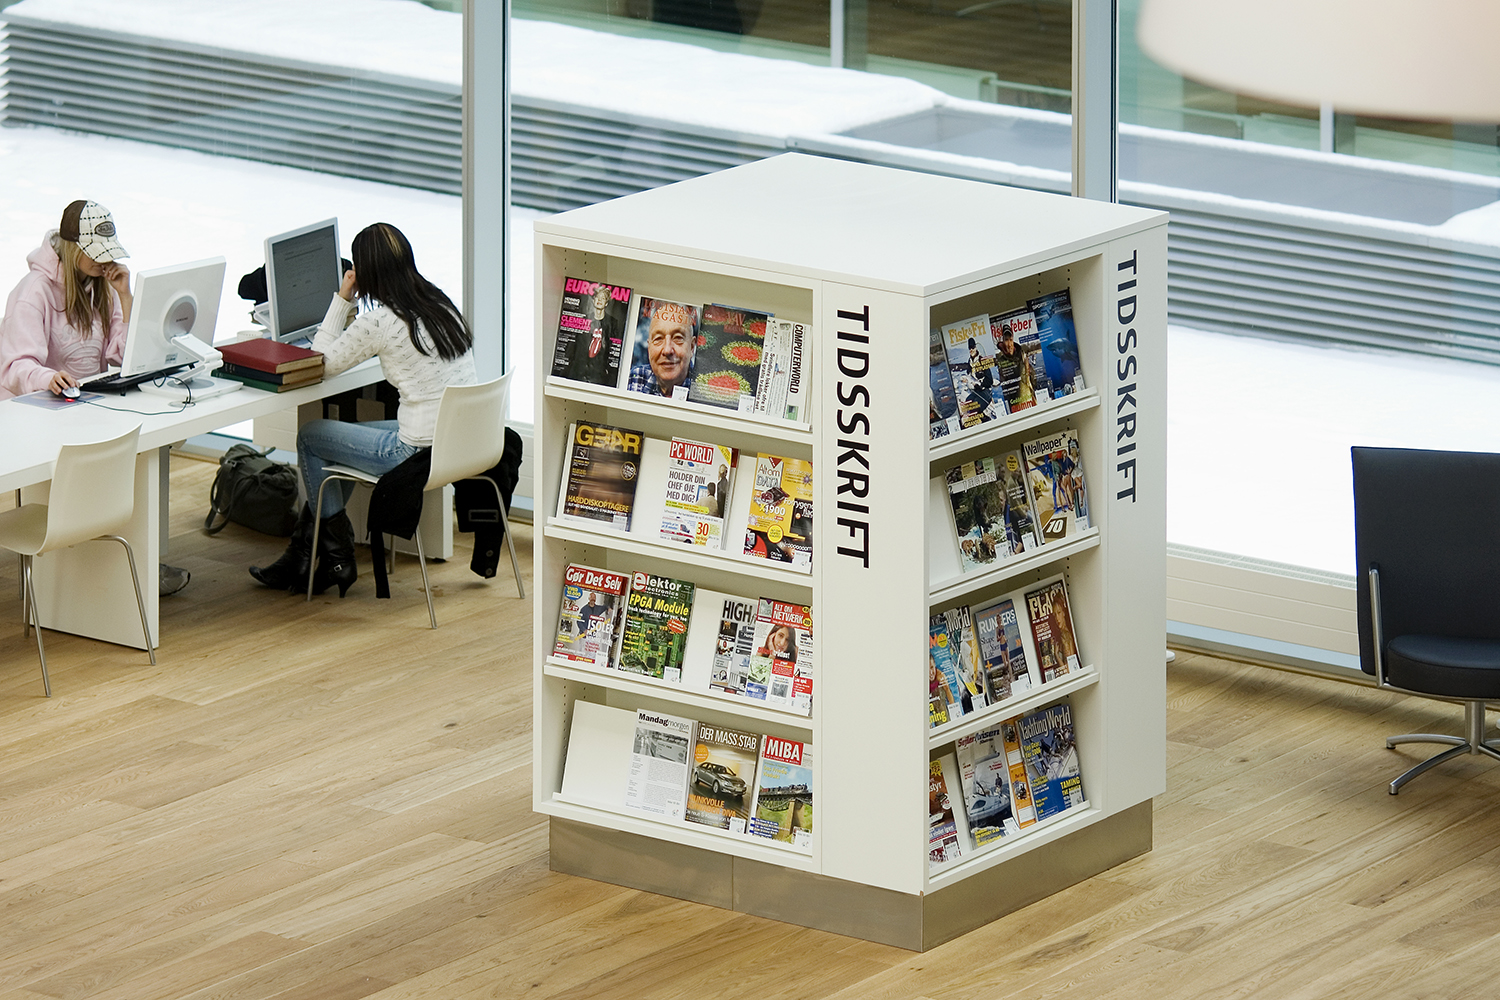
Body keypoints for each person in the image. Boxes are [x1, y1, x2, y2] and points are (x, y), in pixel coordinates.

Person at [249, 222, 475, 597]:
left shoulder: (381, 320)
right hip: (457, 445)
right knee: (339, 441)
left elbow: (321, 361)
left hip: (415, 452)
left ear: (366, 272)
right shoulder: (439, 302)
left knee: (310, 437)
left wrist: (342, 298)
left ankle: (338, 557)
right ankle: (306, 556)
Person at [0, 200, 191, 597]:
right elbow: (14, 367)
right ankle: (111, 573)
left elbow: (122, 356)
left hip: (85, 410)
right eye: (96, 254)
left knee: (137, 448)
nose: (104, 262)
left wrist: (125, 296)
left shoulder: (101, 287)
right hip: (37, 415)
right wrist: (48, 376)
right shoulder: (32, 293)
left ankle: (128, 569)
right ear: (73, 248)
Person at [625, 300, 695, 396]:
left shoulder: (705, 390)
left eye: (678, 338)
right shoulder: (633, 378)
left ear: (692, 347)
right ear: (649, 348)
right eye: (658, 339)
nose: (667, 350)